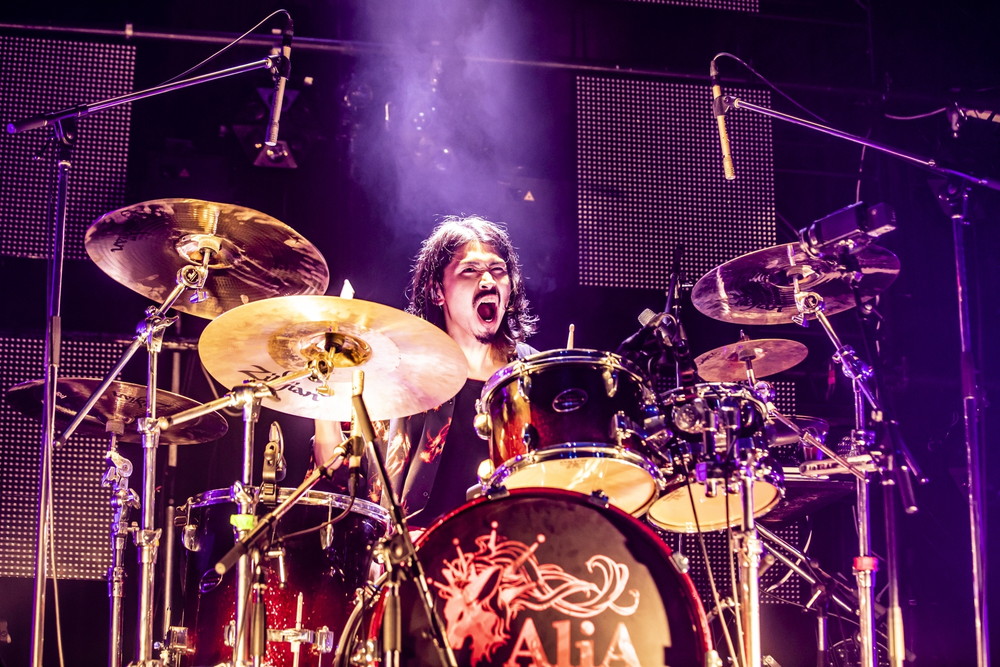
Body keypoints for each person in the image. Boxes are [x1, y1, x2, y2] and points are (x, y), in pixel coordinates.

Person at [314, 215, 538, 529]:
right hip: (415, 552)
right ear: (436, 291)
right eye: (470, 270)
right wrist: (324, 386)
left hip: (513, 548)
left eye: (498, 270)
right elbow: (339, 479)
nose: (488, 281)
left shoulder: (534, 376)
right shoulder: (400, 370)